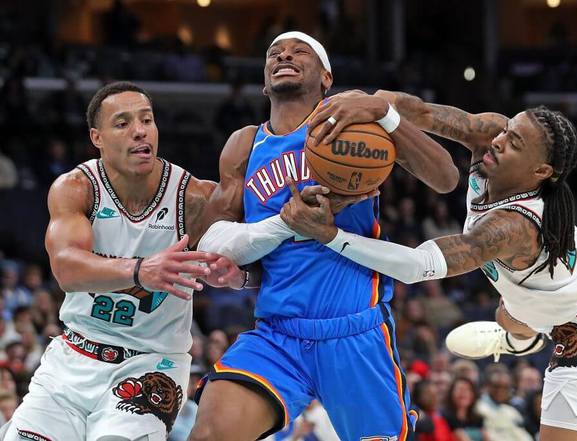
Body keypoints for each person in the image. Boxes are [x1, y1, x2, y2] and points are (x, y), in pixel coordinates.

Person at [280, 92, 577, 441]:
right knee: (507, 317)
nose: (499, 141)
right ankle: (518, 339)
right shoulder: (492, 136)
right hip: (535, 295)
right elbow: (418, 111)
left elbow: (417, 265)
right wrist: (374, 104)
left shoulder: (515, 227)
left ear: (541, 170)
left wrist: (330, 235)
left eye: (514, 143)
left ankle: (521, 335)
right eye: (507, 130)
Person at [189, 31, 459, 441]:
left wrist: (385, 114)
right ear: (264, 82)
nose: (285, 55)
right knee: (210, 434)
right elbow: (212, 241)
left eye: (300, 51)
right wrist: (266, 248)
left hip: (355, 331)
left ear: (327, 78)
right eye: (275, 53)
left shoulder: (356, 124)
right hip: (277, 333)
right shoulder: (245, 144)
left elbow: (446, 178)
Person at [1, 82, 220, 441]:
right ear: (97, 137)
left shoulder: (194, 197)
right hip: (74, 357)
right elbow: (65, 269)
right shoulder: (76, 188)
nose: (140, 130)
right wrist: (140, 270)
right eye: (123, 123)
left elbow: (248, 254)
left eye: (147, 120)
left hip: (151, 364)